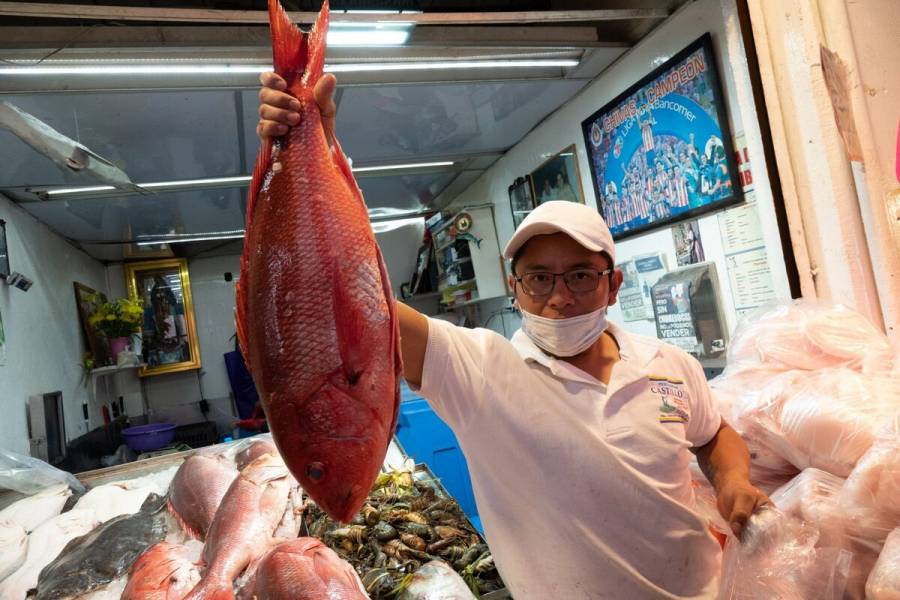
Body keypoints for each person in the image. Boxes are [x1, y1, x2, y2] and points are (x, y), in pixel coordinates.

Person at [257, 71, 768, 599]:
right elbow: (346, 301)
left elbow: (712, 436)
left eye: (580, 276)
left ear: (613, 285)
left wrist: (732, 480)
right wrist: (312, 143)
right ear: (513, 285)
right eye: (539, 278)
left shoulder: (669, 362)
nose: (559, 296)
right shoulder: (479, 371)